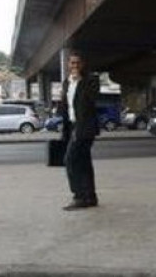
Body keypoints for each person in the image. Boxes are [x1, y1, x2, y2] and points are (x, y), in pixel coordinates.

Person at [58, 50, 100, 211]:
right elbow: (66, 107)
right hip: (72, 126)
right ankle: (90, 197)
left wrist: (79, 81)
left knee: (70, 160)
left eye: (77, 63)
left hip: (85, 127)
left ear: (83, 65)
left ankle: (79, 196)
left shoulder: (91, 80)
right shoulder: (66, 83)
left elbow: (88, 102)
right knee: (84, 162)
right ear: (68, 64)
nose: (74, 66)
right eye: (72, 63)